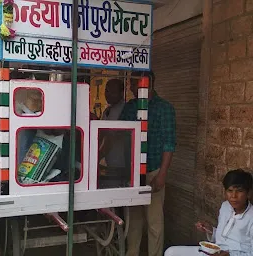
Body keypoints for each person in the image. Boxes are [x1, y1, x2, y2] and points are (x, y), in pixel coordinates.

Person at [120, 71, 176, 256]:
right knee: (133, 221)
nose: (130, 87)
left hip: (153, 170)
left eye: (134, 83)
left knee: (154, 223)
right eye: (130, 84)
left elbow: (169, 143)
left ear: (147, 84)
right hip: (133, 172)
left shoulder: (164, 108)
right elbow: (118, 134)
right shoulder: (130, 107)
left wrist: (162, 175)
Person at [165, 169, 253, 256]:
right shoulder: (225, 207)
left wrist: (230, 254)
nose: (234, 196)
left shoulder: (251, 217)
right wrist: (210, 230)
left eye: (239, 191)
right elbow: (221, 237)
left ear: (248, 193)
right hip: (214, 251)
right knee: (171, 252)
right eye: (230, 191)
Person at [98, 79, 127, 188]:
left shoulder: (124, 110)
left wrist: (97, 156)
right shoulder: (107, 111)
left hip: (120, 163)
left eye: (112, 91)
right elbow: (101, 134)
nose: (108, 94)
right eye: (107, 90)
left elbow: (110, 138)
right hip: (107, 162)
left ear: (121, 93)